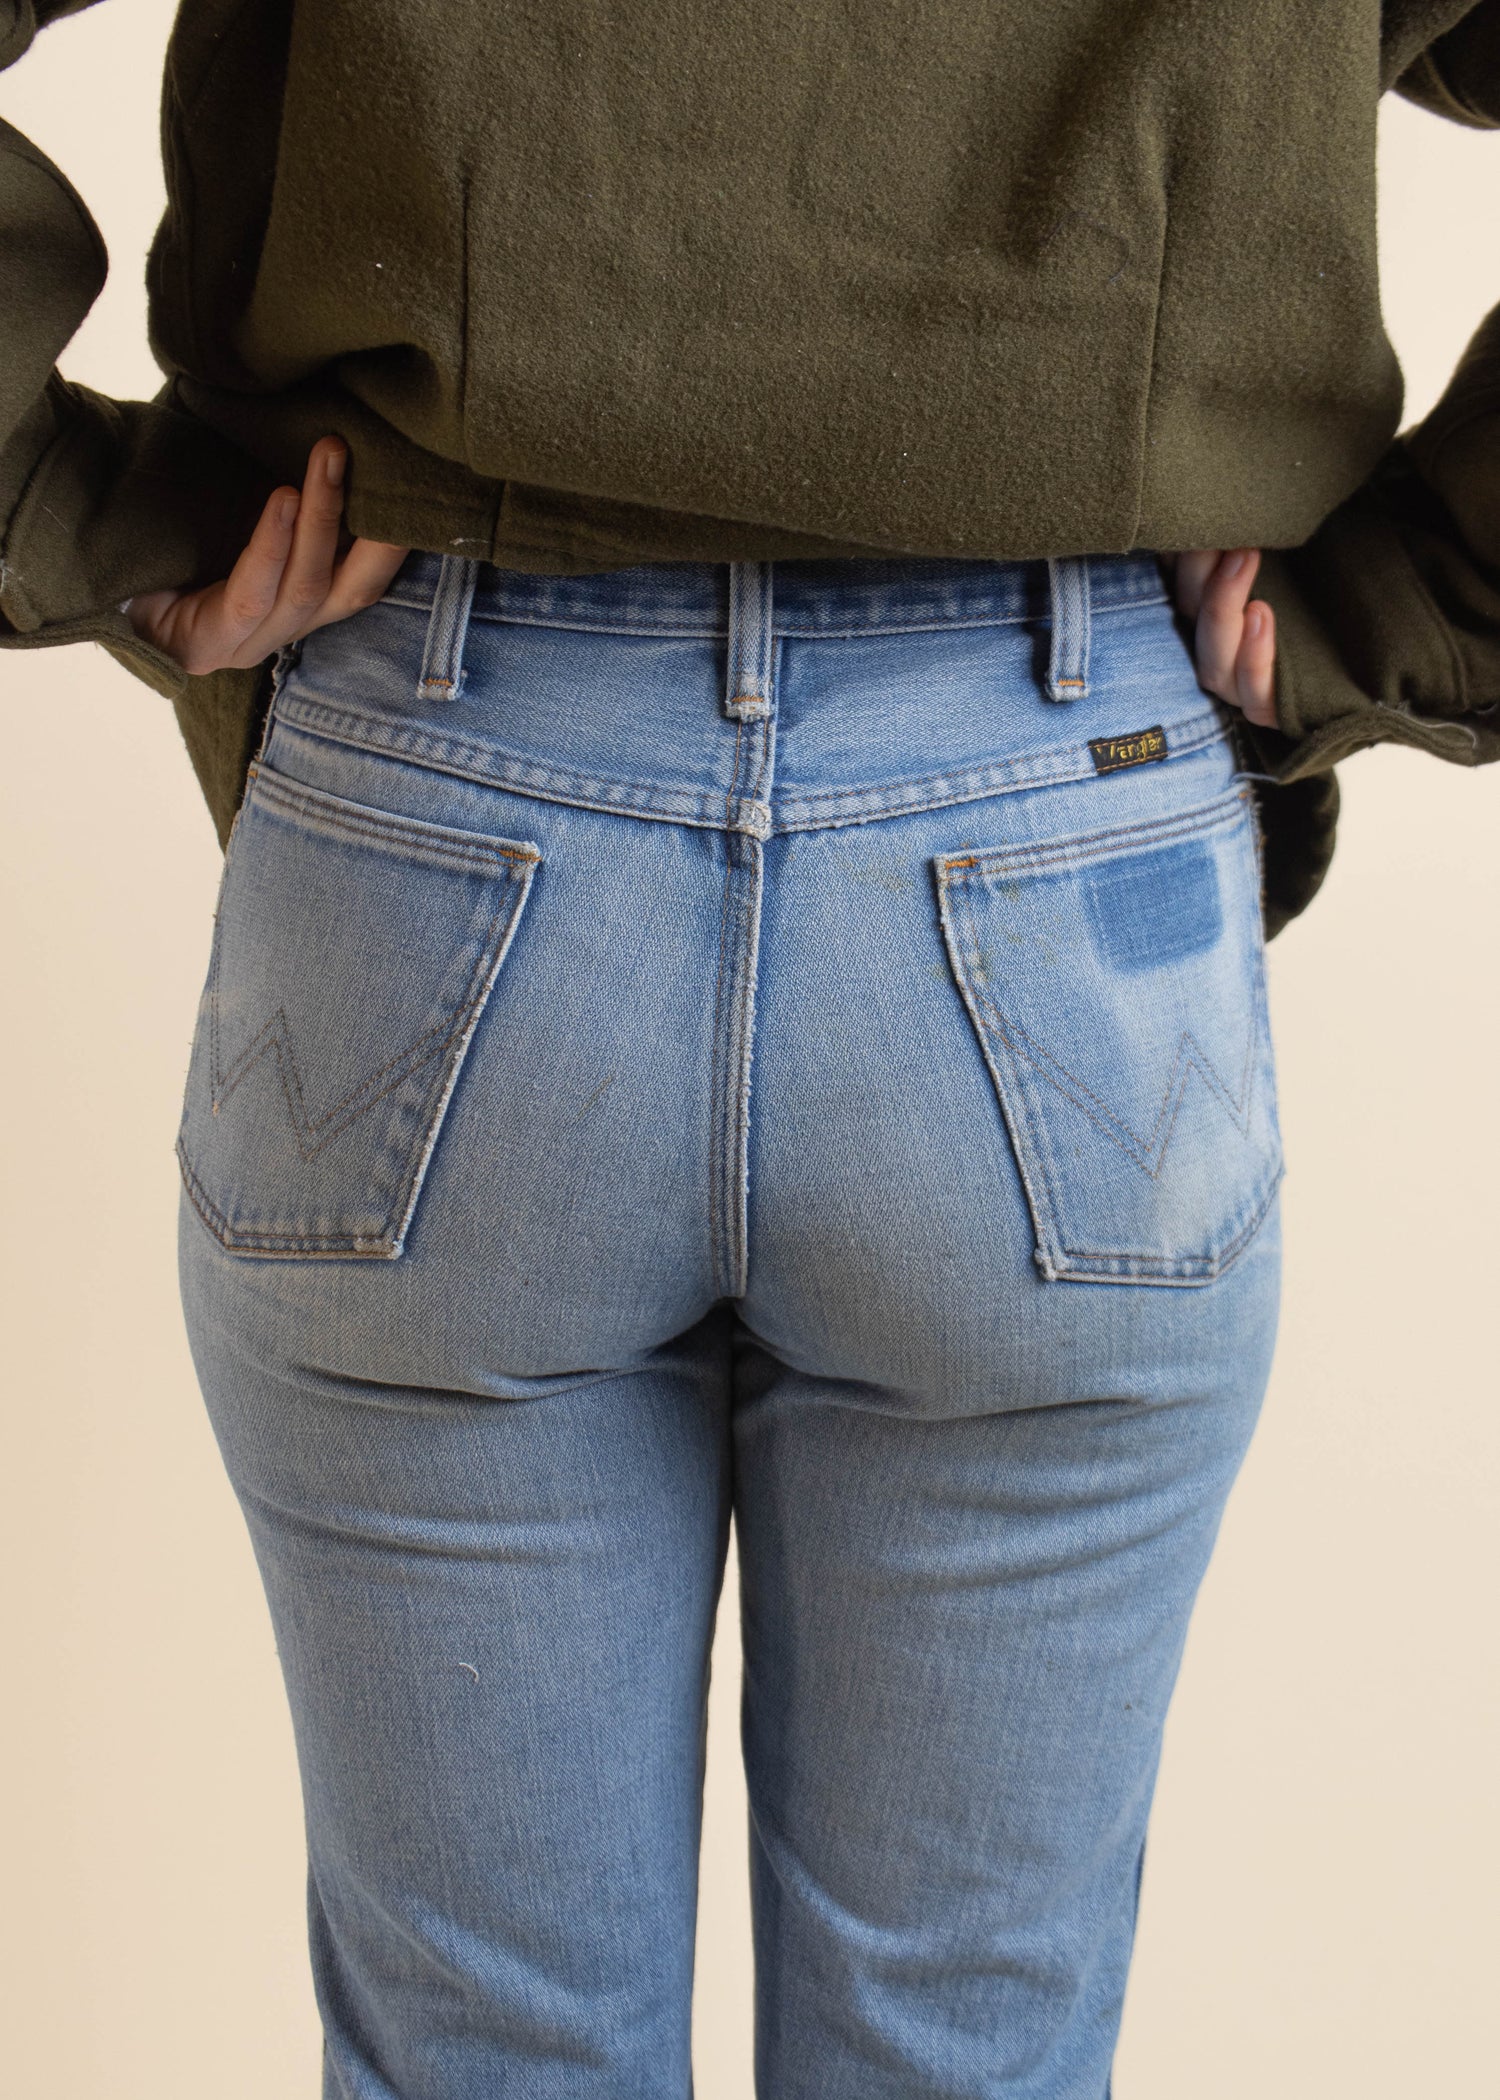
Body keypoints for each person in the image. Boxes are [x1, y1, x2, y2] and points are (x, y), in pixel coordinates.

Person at [2, 5, 1496, 2095]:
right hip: (1052, 822)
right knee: (966, 2052)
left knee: (480, 2054)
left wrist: (71, 511)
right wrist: (1418, 598)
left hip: (445, 800)